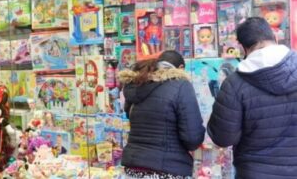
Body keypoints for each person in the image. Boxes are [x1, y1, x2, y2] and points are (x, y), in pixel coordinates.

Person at [207, 17, 297, 179]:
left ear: (244, 48)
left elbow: (223, 137)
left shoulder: (234, 84)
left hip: (254, 172)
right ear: (275, 37)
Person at [118, 50, 205, 178]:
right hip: (168, 169)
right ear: (181, 68)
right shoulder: (180, 84)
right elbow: (192, 138)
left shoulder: (137, 83)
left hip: (132, 169)